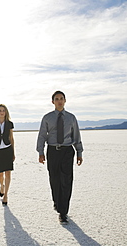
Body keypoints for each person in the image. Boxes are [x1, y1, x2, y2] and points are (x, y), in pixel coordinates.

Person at [36, 91, 83, 225]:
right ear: (53, 102)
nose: (59, 101)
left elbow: (76, 136)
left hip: (67, 151)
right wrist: (41, 152)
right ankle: (57, 201)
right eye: (57, 99)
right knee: (55, 180)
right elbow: (42, 136)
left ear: (65, 100)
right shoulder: (47, 118)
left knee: (66, 181)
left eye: (61, 99)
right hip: (53, 151)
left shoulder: (71, 118)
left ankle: (63, 212)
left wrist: (79, 152)